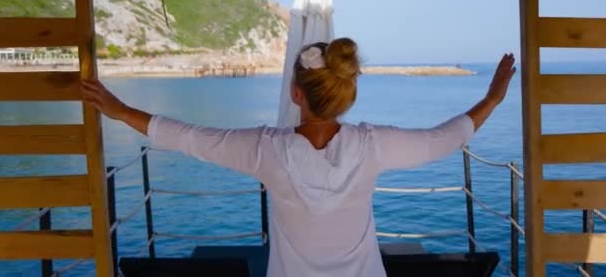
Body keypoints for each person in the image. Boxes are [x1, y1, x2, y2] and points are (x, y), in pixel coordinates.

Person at [81, 38, 516, 277]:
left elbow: (189, 137)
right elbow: (443, 138)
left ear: (295, 93)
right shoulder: (373, 146)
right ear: (347, 94)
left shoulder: (266, 151)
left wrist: (120, 111)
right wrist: (492, 99)